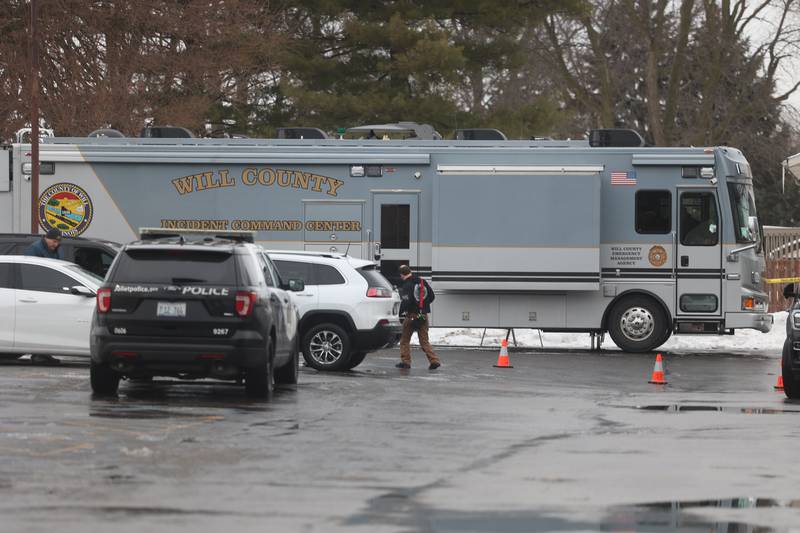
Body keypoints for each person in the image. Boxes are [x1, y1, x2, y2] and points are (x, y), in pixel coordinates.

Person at [23, 228, 64, 365]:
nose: (56, 244)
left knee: (48, 324)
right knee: (39, 324)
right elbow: (30, 271)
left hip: (50, 291)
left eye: (58, 241)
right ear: (46, 237)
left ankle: (44, 353)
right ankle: (38, 354)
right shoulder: (34, 249)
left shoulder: (55, 250)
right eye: (54, 241)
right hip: (37, 292)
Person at [396, 264, 441, 370]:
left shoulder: (407, 285)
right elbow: (432, 296)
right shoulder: (422, 281)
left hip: (412, 316)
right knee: (424, 341)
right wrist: (424, 307)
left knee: (404, 340)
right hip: (423, 316)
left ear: (402, 275)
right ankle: (434, 360)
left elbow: (406, 301)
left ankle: (406, 362)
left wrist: (401, 314)